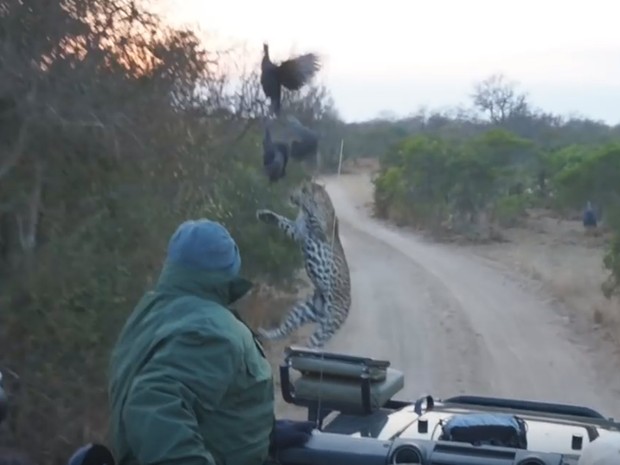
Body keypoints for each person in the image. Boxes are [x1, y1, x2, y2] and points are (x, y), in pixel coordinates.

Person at [106, 219, 315, 465]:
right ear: (229, 272)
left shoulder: (151, 311)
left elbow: (205, 400)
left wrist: (259, 433)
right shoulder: (211, 331)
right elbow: (152, 404)